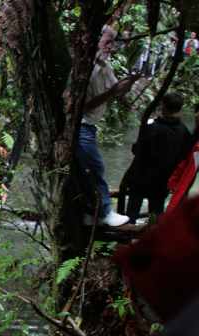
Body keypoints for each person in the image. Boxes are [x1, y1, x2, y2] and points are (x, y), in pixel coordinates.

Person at [77, 26, 137, 227]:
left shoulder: (105, 65)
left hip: (91, 126)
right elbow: (83, 106)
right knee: (95, 167)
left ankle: (88, 214)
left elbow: (116, 91)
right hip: (80, 126)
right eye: (108, 41)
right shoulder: (84, 68)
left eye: (113, 42)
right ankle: (104, 212)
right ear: (95, 39)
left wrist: (129, 83)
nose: (111, 47)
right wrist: (113, 92)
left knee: (87, 169)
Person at [124, 92, 193, 224]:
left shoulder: (152, 127)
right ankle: (155, 239)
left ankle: (126, 239)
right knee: (156, 216)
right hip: (162, 181)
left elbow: (137, 150)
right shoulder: (183, 131)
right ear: (180, 109)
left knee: (132, 214)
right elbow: (184, 156)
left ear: (163, 106)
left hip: (141, 179)